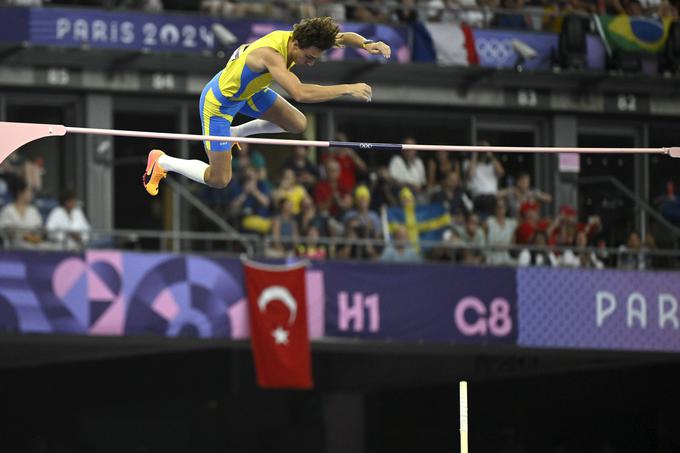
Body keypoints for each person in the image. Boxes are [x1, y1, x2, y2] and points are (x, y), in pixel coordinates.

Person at [143, 17, 391, 196]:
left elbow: (344, 37)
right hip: (219, 105)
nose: (311, 63)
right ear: (295, 45)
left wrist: (368, 44)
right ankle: (162, 161)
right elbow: (299, 92)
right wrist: (346, 88)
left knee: (298, 123)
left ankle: (236, 133)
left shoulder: (305, 39)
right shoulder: (271, 54)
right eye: (309, 58)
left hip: (251, 92)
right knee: (220, 179)